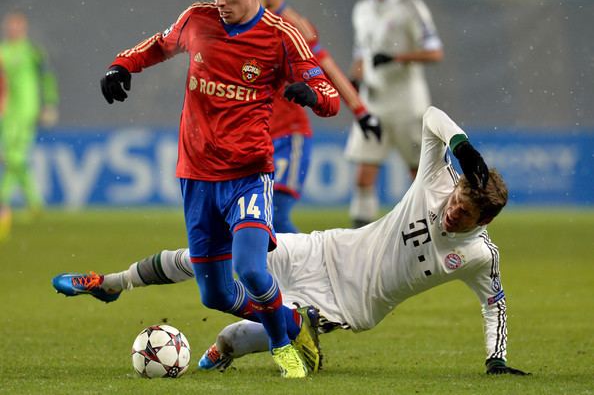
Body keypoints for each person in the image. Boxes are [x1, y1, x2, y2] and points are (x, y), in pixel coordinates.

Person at [54, 106, 529, 376]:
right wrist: (461, 143)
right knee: (208, 257)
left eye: (462, 211)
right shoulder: (437, 181)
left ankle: (231, 348)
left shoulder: (478, 256)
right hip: (325, 249)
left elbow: (496, 305)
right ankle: (112, 282)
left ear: (482, 218)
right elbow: (430, 116)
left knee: (237, 336)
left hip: (349, 306)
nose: (451, 208)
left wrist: (497, 359)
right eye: (454, 199)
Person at [98, 0, 340, 378]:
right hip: (195, 177)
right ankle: (291, 320)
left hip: (248, 174)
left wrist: (312, 97)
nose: (219, 1)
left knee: (249, 267)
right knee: (214, 294)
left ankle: (282, 348)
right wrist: (122, 66)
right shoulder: (198, 20)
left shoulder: (281, 36)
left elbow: (330, 95)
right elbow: (159, 45)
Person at [260, 0, 381, 233]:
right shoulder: (245, 23)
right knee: (247, 220)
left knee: (274, 216)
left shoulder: (296, 26)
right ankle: (264, 277)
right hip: (254, 136)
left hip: (287, 135)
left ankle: (315, 273)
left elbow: (328, 68)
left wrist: (361, 112)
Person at [346, 0, 444, 228]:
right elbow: (361, 53)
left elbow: (435, 52)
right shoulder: (361, 10)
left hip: (407, 103)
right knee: (363, 175)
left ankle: (429, 231)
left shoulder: (410, 6)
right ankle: (360, 241)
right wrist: (353, 80)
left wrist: (397, 58)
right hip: (373, 103)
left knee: (419, 173)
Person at [0, 12, 59, 240]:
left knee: (14, 157)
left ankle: (3, 201)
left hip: (27, 109)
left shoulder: (32, 52)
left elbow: (47, 77)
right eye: (10, 27)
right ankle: (35, 203)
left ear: (23, 29)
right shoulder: (3, 51)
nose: (14, 30)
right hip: (7, 111)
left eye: (18, 27)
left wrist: (50, 103)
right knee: (15, 158)